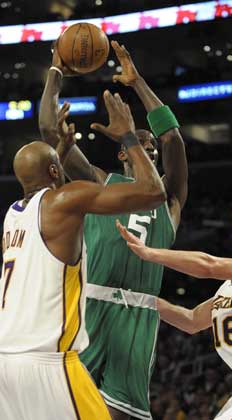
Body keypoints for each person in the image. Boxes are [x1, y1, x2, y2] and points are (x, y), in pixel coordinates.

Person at [39, 41, 188, 420]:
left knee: (122, 416)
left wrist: (137, 83)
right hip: (90, 306)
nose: (150, 148)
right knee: (66, 409)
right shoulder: (99, 183)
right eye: (141, 144)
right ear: (123, 152)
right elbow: (47, 129)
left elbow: (173, 138)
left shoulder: (169, 200)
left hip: (137, 315)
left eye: (151, 146)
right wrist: (55, 72)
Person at [0, 92, 165, 420]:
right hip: (50, 362)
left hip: (6, 361)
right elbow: (153, 192)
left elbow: (52, 167)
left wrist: (55, 72)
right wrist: (128, 135)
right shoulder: (64, 201)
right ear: (54, 169)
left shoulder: (13, 216)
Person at [117, 193, 232, 419]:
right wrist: (142, 299)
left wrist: (150, 253)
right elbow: (192, 321)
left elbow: (209, 266)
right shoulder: (230, 287)